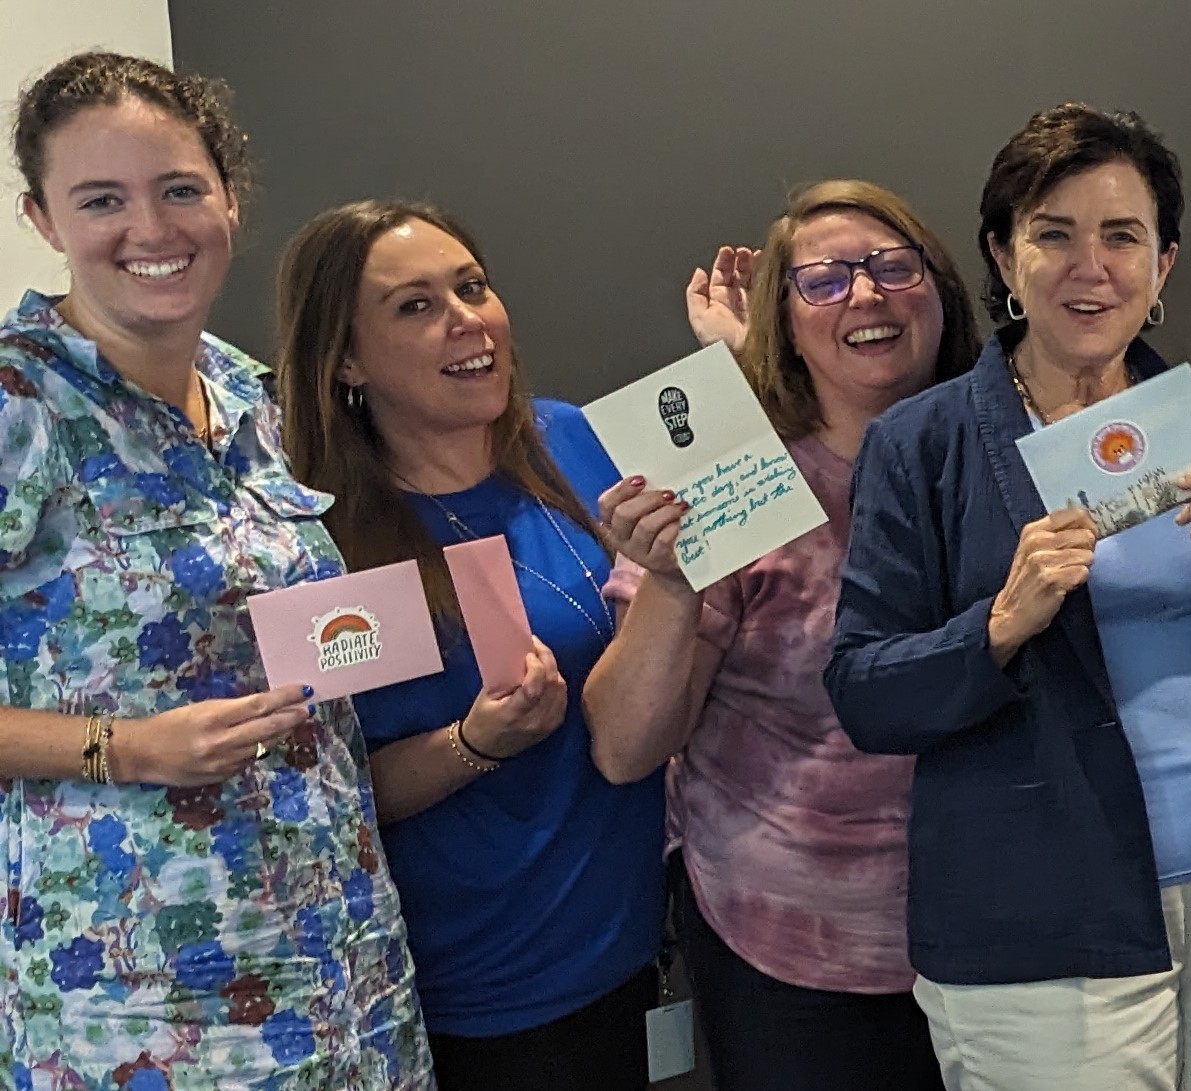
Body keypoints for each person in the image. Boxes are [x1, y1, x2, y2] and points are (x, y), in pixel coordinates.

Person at [826, 103, 1191, 1089]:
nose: (1089, 265)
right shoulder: (922, 445)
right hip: (1044, 913)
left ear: (1164, 262)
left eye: (1122, 235)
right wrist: (1000, 624)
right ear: (1005, 259)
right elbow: (861, 688)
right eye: (1053, 233)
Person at [0, 51, 429, 1088]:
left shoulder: (248, 395)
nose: (151, 230)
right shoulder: (21, 405)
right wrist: (125, 746)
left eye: (180, 189)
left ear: (229, 199)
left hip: (345, 972)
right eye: (103, 199)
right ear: (45, 220)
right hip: (143, 1006)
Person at [269, 198, 696, 1085]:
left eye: (472, 287)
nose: (467, 319)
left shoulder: (571, 439)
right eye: (415, 305)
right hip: (471, 990)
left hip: (624, 948)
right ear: (345, 359)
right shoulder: (317, 541)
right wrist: (473, 744)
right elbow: (319, 790)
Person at [591, 180, 987, 1091]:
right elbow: (625, 746)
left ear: (943, 290)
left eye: (895, 266)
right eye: (823, 280)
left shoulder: (1002, 457)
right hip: (792, 953)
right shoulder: (733, 475)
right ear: (784, 318)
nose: (866, 293)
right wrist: (672, 571)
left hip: (999, 932)